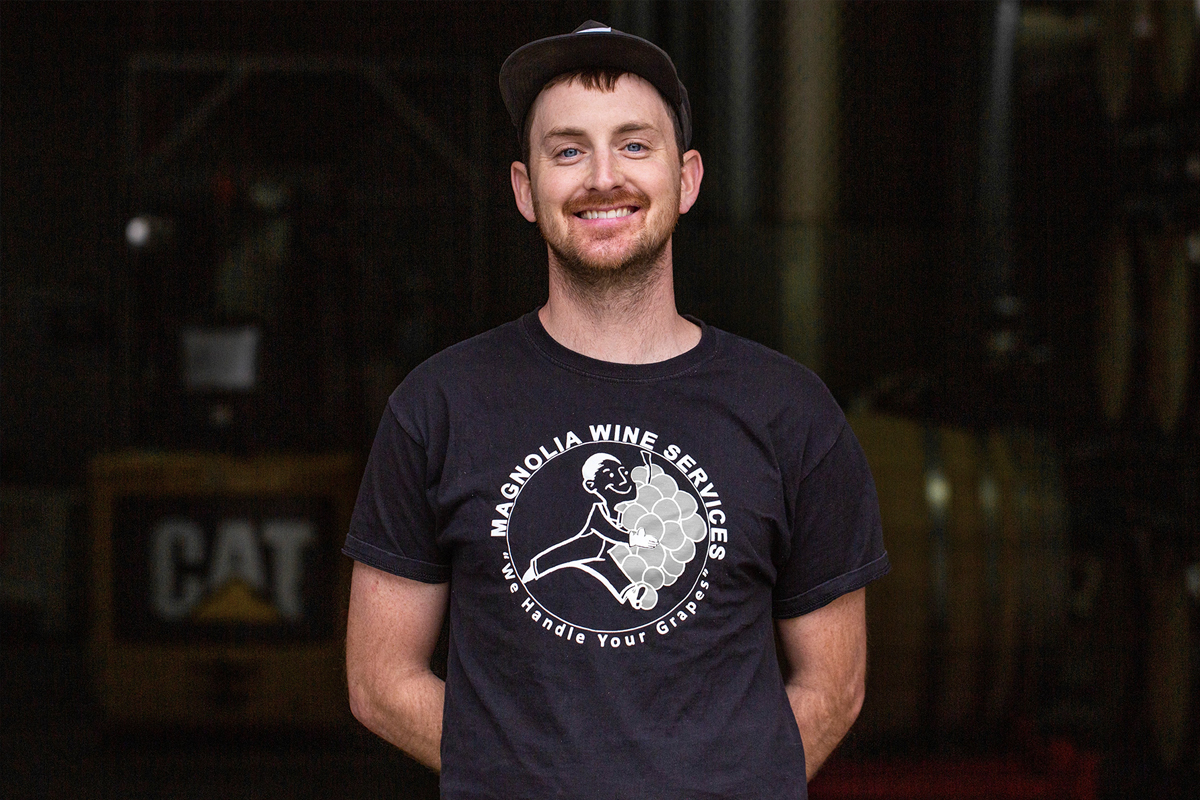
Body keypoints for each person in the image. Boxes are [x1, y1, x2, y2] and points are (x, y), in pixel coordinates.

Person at [343, 20, 889, 799]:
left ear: (688, 179)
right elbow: (379, 680)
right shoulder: (438, 406)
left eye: (635, 145)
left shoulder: (790, 413)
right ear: (527, 191)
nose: (604, 177)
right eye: (568, 151)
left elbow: (834, 687)